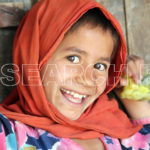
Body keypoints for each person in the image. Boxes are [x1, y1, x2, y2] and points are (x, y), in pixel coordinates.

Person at [0, 0, 150, 149]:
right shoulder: (10, 134)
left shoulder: (117, 130)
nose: (87, 79)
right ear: (34, 57)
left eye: (99, 66)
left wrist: (129, 87)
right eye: (73, 58)